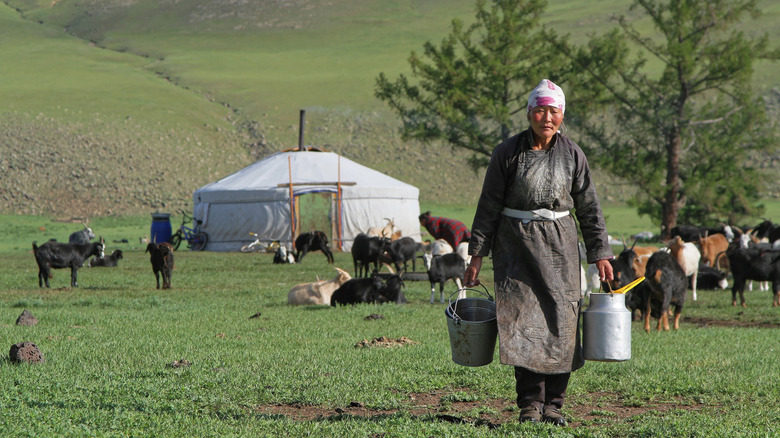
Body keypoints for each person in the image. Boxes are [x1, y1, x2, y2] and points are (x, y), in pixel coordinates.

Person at [464, 79, 614, 427]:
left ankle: (555, 406)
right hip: (514, 247)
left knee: (563, 323)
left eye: (554, 111)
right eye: (541, 109)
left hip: (561, 246)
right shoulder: (507, 152)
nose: (547, 117)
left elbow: (589, 207)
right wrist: (476, 255)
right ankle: (530, 405)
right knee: (521, 323)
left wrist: (600, 253)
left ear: (561, 115)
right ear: (530, 112)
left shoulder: (573, 154)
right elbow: (488, 205)